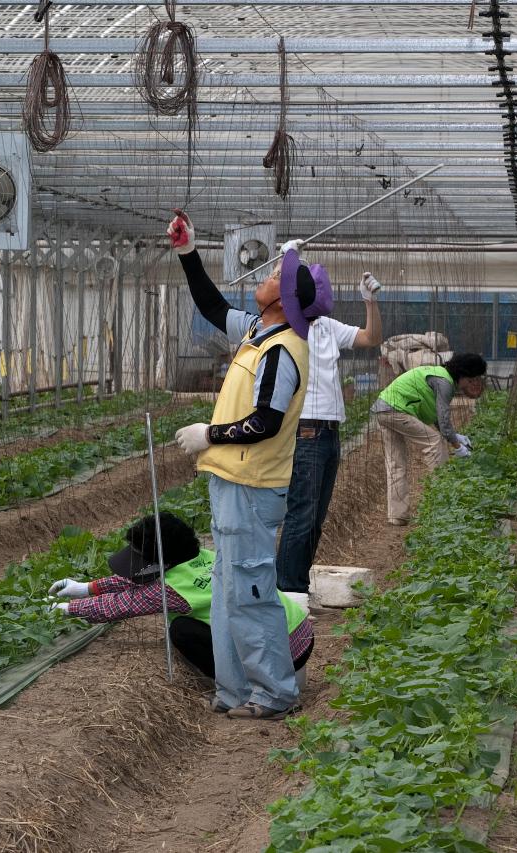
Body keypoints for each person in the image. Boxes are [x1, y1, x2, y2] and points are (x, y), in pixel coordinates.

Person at [167, 210, 326, 721]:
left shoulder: (283, 350)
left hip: (252, 488)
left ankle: (275, 693)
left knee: (252, 591)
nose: (264, 275)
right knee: (228, 592)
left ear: (285, 299)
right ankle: (236, 691)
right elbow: (213, 306)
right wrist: (188, 252)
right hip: (232, 483)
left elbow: (267, 423)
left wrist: (207, 434)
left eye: (274, 275)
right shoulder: (258, 329)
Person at [48, 513, 314, 687]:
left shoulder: (173, 589)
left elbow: (121, 605)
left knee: (181, 630)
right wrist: (86, 588)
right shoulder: (206, 557)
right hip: (298, 633)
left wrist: (68, 609)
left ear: (164, 561)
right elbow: (141, 578)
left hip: (278, 655)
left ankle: (239, 687)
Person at [274, 249, 385, 593]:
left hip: (330, 432)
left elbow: (371, 339)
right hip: (305, 430)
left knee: (316, 520)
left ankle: (297, 587)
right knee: (301, 516)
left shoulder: (327, 327)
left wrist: (370, 303)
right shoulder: (287, 328)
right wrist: (285, 260)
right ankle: (288, 591)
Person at [371, 353, 487, 525]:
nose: (472, 384)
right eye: (472, 379)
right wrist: (457, 446)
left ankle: (397, 516)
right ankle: (442, 506)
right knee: (434, 441)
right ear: (463, 374)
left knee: (396, 463)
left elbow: (438, 419)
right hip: (396, 409)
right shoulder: (445, 382)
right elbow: (444, 421)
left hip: (383, 409)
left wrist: (456, 437)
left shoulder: (438, 375)